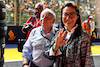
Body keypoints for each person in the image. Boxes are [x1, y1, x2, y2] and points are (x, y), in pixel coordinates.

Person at [43, 2, 93, 67]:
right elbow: (47, 54)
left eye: (71, 14)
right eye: (65, 14)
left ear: (77, 16)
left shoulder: (83, 36)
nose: (67, 18)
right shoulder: (59, 33)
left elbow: (87, 62)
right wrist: (56, 46)